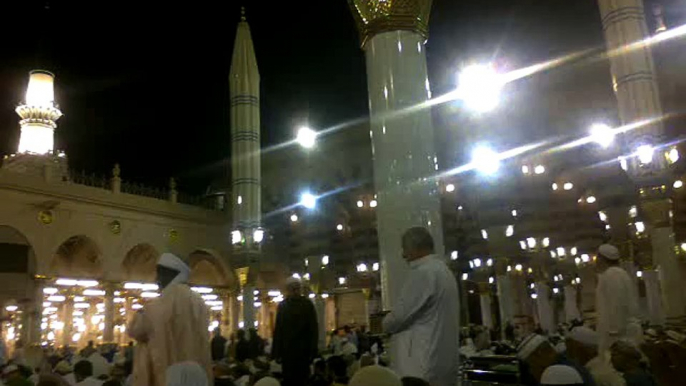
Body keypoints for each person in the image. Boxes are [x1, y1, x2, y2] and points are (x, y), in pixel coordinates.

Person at [382, 227, 460, 386]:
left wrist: (384, 323)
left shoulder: (423, 273)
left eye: (405, 248)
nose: (403, 255)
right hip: (442, 363)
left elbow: (399, 317)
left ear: (415, 248)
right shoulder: (444, 271)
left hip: (421, 367)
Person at [128, 252, 212, 386]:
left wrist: (140, 312)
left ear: (171, 274)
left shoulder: (157, 305)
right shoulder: (199, 302)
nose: (157, 279)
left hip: (166, 377)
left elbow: (135, 330)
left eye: (160, 274)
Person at [595, 244, 643, 354]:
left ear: (602, 258)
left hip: (619, 335)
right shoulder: (618, 273)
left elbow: (617, 302)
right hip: (620, 332)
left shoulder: (612, 274)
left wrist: (614, 330)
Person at [271, 277, 318, 386]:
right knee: (289, 379)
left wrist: (313, 350)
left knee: (302, 379)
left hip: (303, 350)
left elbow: (313, 329)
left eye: (297, 288)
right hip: (288, 351)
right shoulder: (283, 306)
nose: (295, 291)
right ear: (288, 289)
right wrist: (277, 353)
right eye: (293, 288)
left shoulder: (307, 304)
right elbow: (278, 330)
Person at [517, 334, 595, 386]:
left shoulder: (557, 373)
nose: (531, 371)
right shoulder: (568, 363)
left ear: (540, 353)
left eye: (532, 364)